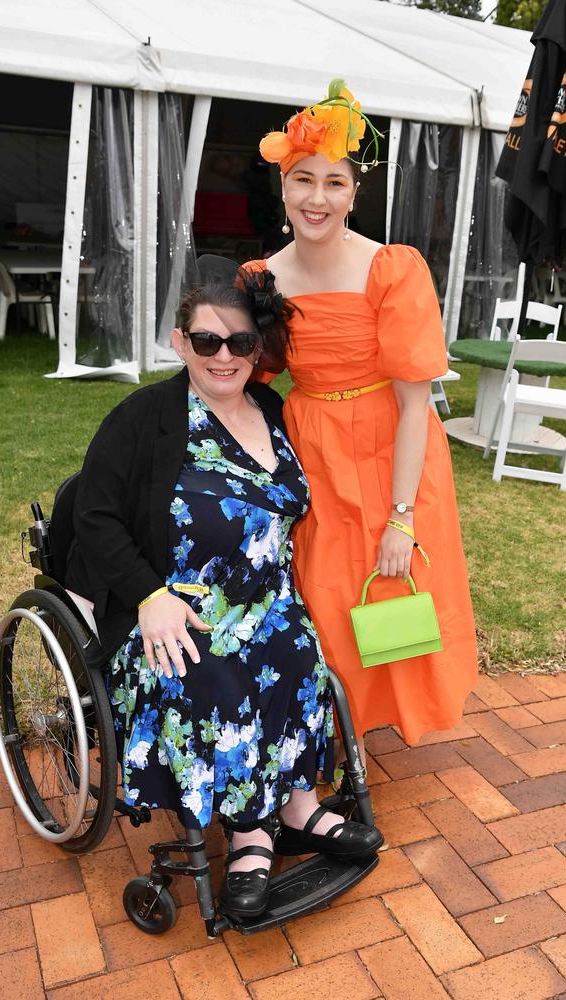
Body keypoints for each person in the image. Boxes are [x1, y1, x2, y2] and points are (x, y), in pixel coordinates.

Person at [66, 264, 382, 919]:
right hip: (173, 607)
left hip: (265, 604)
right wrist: (148, 595)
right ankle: (249, 837)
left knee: (300, 657)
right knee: (215, 683)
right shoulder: (144, 418)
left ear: (257, 350)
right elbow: (94, 517)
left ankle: (298, 808)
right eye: (206, 341)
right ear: (180, 343)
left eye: (240, 343)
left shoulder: (271, 409)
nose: (223, 357)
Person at [243, 80, 477, 748]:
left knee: (392, 582)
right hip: (313, 448)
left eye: (334, 183)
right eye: (303, 179)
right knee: (326, 593)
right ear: (283, 186)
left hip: (392, 448)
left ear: (354, 192)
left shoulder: (393, 269)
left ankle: (376, 723)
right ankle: (330, 731)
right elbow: (249, 378)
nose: (317, 198)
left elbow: (414, 402)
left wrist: (401, 516)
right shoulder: (260, 279)